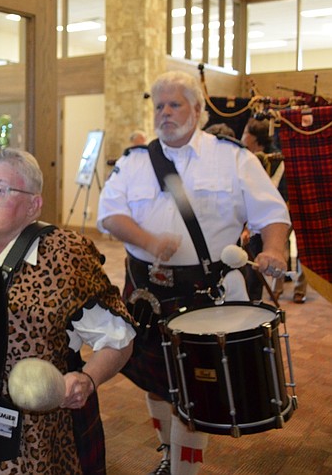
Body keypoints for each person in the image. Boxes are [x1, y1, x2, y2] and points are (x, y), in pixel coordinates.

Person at [97, 71, 291, 475]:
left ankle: (184, 471)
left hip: (206, 291)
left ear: (198, 109)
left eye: (175, 105)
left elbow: (271, 212)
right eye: (159, 106)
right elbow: (110, 215)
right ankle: (168, 455)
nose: (165, 113)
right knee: (156, 383)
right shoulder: (134, 162)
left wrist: (274, 248)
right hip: (146, 290)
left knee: (195, 390)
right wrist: (149, 242)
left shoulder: (232, 157)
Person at [0, 148, 135, 475]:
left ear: (34, 205)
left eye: (0, 190)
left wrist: (87, 379)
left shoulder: (65, 256)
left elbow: (119, 339)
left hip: (41, 436)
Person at [241, 118, 306, 303]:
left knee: (289, 249)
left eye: (246, 133)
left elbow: (278, 189)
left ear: (254, 138)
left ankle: (298, 289)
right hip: (262, 215)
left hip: (285, 209)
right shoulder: (245, 157)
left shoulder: (277, 159)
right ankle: (275, 290)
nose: (243, 136)